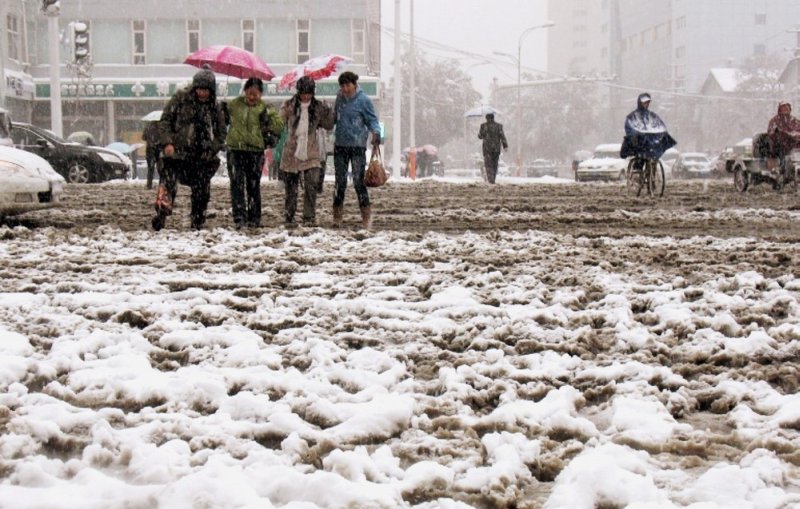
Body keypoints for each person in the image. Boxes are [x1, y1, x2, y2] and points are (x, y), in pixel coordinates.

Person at [152, 66, 226, 231]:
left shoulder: (215, 106)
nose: (202, 94)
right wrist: (167, 143)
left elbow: (221, 133)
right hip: (177, 153)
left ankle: (197, 220)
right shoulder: (180, 99)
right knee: (168, 183)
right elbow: (165, 121)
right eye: (200, 89)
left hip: (202, 156)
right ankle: (161, 214)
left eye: (206, 90)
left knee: (202, 191)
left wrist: (213, 148)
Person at [224, 76, 283, 228]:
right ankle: (239, 217)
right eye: (249, 93)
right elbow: (222, 118)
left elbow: (279, 125)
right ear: (245, 91)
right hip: (235, 150)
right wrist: (222, 109)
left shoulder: (265, 107)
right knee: (237, 185)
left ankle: (254, 217)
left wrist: (267, 121)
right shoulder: (235, 104)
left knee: (253, 185)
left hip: (255, 152)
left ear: (261, 94)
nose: (252, 97)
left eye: (256, 94)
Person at [279, 76, 335, 227]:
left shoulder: (318, 107)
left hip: (310, 151)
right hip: (292, 151)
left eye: (308, 93)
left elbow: (328, 124)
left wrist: (329, 111)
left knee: (311, 184)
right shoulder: (290, 105)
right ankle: (290, 215)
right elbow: (279, 121)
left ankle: (309, 216)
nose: (305, 96)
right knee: (291, 188)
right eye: (303, 93)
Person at [333, 71, 381, 229]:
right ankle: (337, 216)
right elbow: (335, 117)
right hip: (340, 145)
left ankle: (366, 217)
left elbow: (372, 120)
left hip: (357, 146)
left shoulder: (363, 100)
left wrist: (376, 133)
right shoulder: (339, 98)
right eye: (342, 86)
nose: (345, 89)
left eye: (348, 85)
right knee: (340, 182)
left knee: (358, 182)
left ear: (354, 84)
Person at [620, 93, 676, 161]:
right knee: (640, 157)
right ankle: (638, 168)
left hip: (650, 143)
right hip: (639, 142)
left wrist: (662, 132)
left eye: (647, 102)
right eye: (644, 103)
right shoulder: (633, 116)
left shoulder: (652, 116)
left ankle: (652, 166)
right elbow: (630, 128)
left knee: (659, 144)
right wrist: (637, 134)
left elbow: (660, 125)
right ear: (640, 103)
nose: (646, 104)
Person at [478, 113, 508, 184]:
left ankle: (490, 180)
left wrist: (481, 134)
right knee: (495, 164)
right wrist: (505, 146)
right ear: (493, 118)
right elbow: (502, 136)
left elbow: (480, 136)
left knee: (488, 165)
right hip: (496, 149)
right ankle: (493, 179)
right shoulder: (498, 126)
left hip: (487, 149)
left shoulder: (483, 126)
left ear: (486, 118)